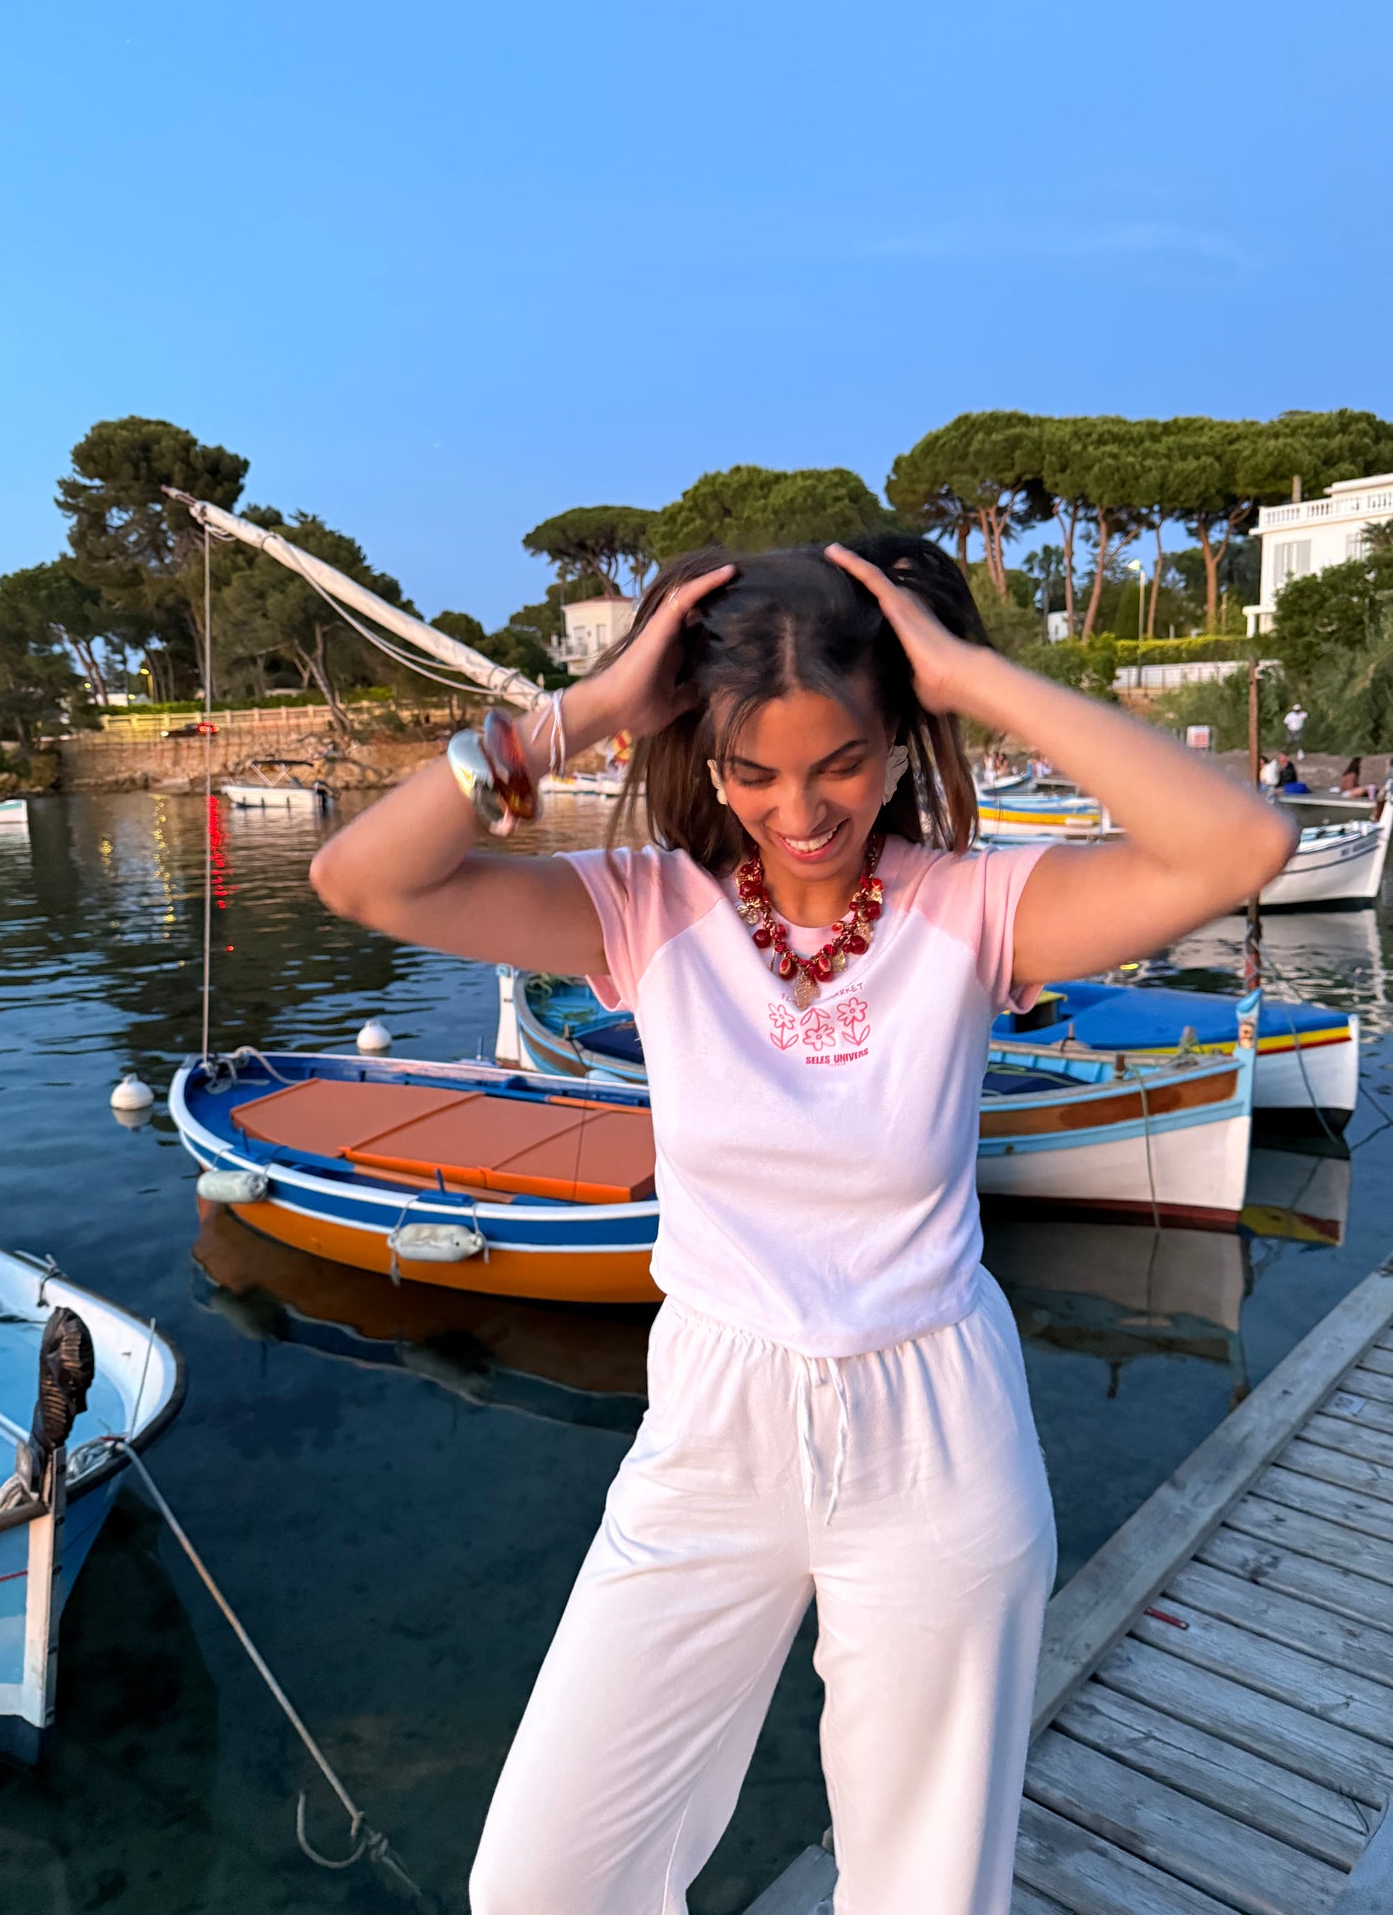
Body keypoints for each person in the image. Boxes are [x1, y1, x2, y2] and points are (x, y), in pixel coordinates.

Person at [309, 537, 1293, 1915]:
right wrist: (588, 706)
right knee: (540, 1883)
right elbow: (364, 880)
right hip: (712, 1424)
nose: (799, 810)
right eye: (751, 771)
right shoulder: (645, 907)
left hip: (934, 1430)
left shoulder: (976, 909)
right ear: (703, 760)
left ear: (898, 744)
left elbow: (1244, 843)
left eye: (841, 761)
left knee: (922, 1889)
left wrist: (974, 678)